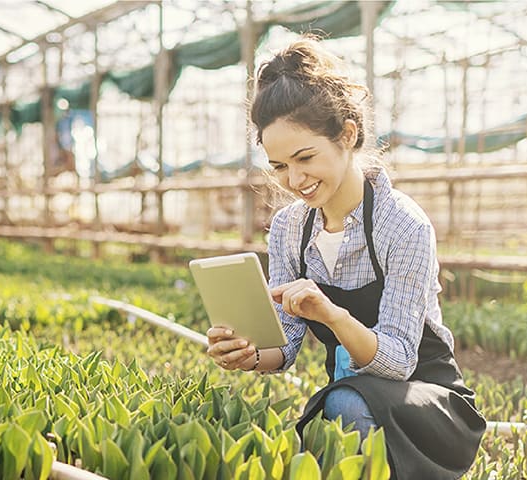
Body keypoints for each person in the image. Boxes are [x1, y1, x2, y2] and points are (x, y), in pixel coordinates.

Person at [206, 37, 485, 479]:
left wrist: (333, 316)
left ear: (348, 135)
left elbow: (397, 363)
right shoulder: (289, 231)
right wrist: (249, 354)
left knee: (343, 401)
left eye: (305, 158)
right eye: (279, 166)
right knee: (338, 404)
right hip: (355, 398)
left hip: (427, 402)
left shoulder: (403, 226)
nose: (294, 180)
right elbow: (288, 345)